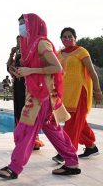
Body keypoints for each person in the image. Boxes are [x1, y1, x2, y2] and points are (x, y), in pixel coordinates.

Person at [0, 13, 80, 180]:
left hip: (42, 96)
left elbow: (56, 67)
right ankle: (72, 162)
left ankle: (14, 168)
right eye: (19, 24)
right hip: (37, 93)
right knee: (53, 130)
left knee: (25, 130)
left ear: (32, 25)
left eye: (23, 24)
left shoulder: (41, 43)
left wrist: (31, 71)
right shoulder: (30, 45)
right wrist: (21, 72)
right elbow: (34, 68)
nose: (21, 28)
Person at [52, 27, 103, 164]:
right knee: (78, 121)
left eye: (70, 36)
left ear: (75, 38)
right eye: (64, 37)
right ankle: (91, 147)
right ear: (61, 39)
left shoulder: (82, 52)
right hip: (65, 93)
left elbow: (92, 72)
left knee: (72, 122)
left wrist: (97, 91)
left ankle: (67, 152)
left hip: (80, 92)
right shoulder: (58, 54)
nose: (67, 39)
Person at [7, 36, 44, 150]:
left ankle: (33, 140)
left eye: (21, 41)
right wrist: (11, 54)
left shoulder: (30, 55)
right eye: (17, 42)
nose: (19, 43)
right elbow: (9, 68)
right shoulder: (18, 56)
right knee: (19, 110)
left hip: (28, 86)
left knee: (28, 111)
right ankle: (22, 139)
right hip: (18, 86)